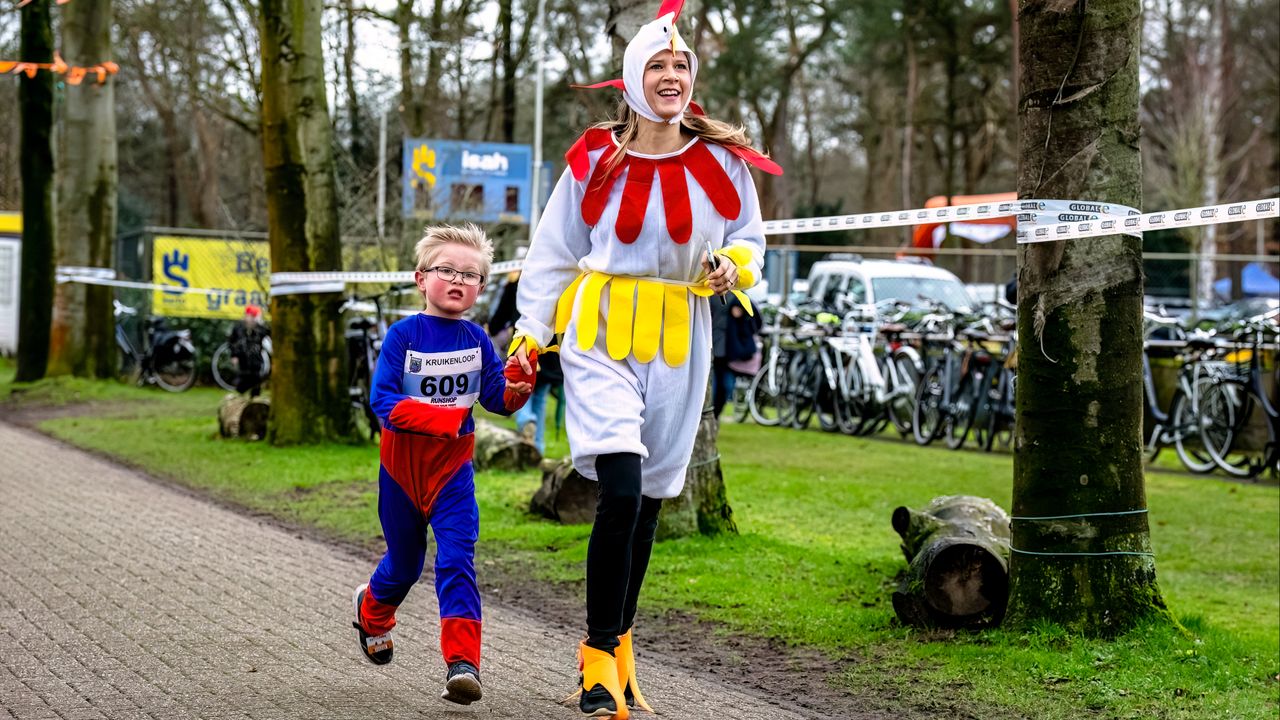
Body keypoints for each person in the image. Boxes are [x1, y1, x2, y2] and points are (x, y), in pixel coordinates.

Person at [508, 1, 781, 715]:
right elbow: (553, 250)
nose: (671, 74)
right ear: (632, 78)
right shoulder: (594, 158)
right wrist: (530, 333)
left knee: (654, 497)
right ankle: (595, 659)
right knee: (620, 488)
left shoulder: (723, 159)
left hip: (681, 333)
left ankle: (622, 649)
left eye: (681, 65)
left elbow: (752, 239)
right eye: (657, 64)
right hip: (602, 329)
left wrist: (733, 267)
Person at [349, 223, 535, 706]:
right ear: (420, 277)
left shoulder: (477, 339)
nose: (457, 281)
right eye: (446, 270)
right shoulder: (402, 335)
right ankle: (371, 611)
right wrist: (444, 418)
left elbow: (496, 398)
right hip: (401, 475)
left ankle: (463, 664)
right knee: (406, 567)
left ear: (480, 287)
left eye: (470, 275)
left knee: (456, 560)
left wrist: (517, 387)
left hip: (453, 475)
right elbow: (383, 402)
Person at [711, 291, 762, 417]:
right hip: (711, 346)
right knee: (715, 386)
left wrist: (741, 311)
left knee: (725, 386)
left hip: (728, 351)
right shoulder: (707, 294)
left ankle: (715, 414)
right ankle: (711, 415)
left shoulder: (738, 295)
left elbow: (756, 319)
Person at [513, 350, 564, 453]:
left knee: (523, 395)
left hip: (528, 357)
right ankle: (538, 446)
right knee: (540, 401)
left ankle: (527, 420)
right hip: (549, 361)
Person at [228, 305, 269, 396]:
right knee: (242, 381)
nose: (251, 319)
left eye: (253, 317)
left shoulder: (260, 329)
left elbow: (268, 335)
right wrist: (234, 355)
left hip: (256, 360)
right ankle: (240, 395)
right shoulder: (238, 328)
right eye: (249, 316)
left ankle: (254, 397)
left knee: (256, 380)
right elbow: (232, 342)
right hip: (242, 359)